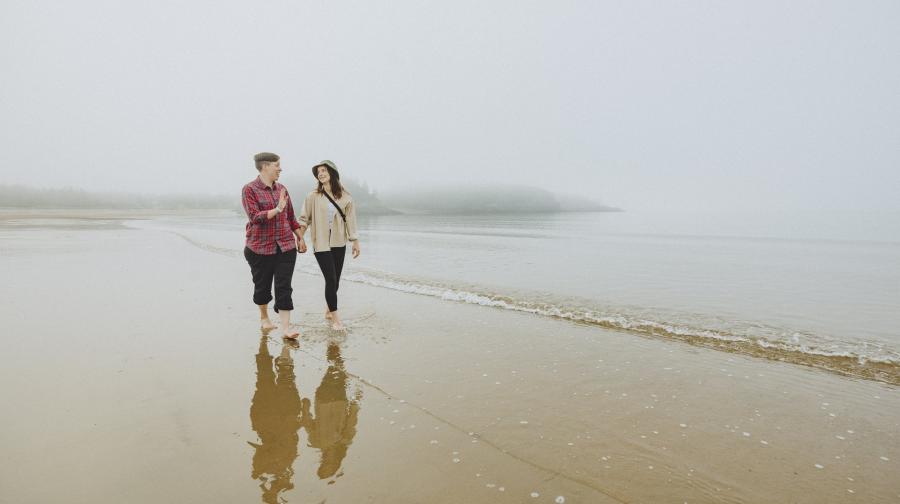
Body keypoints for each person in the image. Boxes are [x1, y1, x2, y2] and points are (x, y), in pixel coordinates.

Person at [241, 152, 308, 339]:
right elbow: (255, 217)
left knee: (284, 286)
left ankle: (286, 328)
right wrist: (277, 209)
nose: (280, 169)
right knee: (262, 287)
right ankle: (264, 317)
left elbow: (290, 217)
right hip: (260, 248)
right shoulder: (249, 190)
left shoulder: (282, 189)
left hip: (286, 246)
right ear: (265, 166)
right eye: (277, 165)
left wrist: (300, 237)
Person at [296, 160, 360, 331]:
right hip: (321, 243)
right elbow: (304, 219)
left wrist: (355, 241)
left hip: (339, 242)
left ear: (332, 172)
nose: (321, 174)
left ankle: (328, 309)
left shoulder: (346, 197)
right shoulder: (312, 196)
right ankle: (336, 318)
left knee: (336, 280)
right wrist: (300, 237)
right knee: (330, 279)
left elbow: (351, 221)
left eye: (324, 170)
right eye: (318, 172)